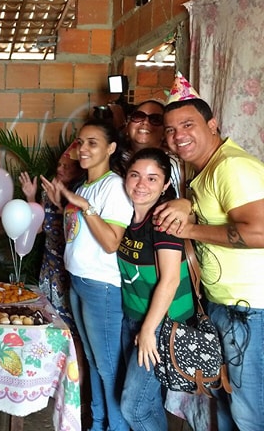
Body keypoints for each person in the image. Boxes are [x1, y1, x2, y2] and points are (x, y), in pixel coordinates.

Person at [153, 73, 264, 431]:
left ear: (212, 125)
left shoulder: (231, 166)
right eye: (171, 130)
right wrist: (187, 204)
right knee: (232, 408)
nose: (178, 135)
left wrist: (189, 229)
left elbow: (260, 230)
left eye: (188, 124)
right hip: (227, 309)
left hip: (250, 311)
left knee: (250, 414)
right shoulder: (206, 171)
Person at [45, 118, 133, 431]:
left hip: (101, 287)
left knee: (107, 366)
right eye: (80, 142)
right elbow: (78, 232)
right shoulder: (84, 186)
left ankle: (116, 427)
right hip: (79, 282)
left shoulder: (114, 187)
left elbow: (111, 243)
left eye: (92, 143)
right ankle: (97, 423)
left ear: (110, 148)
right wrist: (62, 205)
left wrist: (85, 206)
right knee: (94, 362)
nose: (82, 149)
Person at [117, 147, 194, 430]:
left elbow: (170, 279)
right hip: (133, 316)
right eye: (135, 175)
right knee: (147, 402)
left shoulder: (163, 221)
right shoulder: (124, 216)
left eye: (152, 178)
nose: (141, 184)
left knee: (133, 408)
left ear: (165, 185)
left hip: (161, 322)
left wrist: (149, 330)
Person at [19, 140, 85, 332]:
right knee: (49, 321)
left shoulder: (81, 196)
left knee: (71, 326)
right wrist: (31, 197)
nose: (60, 169)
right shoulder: (47, 193)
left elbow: (78, 232)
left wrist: (59, 205)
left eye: (67, 166)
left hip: (69, 269)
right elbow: (38, 228)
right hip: (49, 268)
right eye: (59, 165)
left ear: (79, 171)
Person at [121, 99, 183, 196]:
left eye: (155, 119)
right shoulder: (114, 156)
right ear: (128, 124)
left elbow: (181, 200)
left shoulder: (172, 164)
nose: (145, 122)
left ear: (164, 132)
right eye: (138, 116)